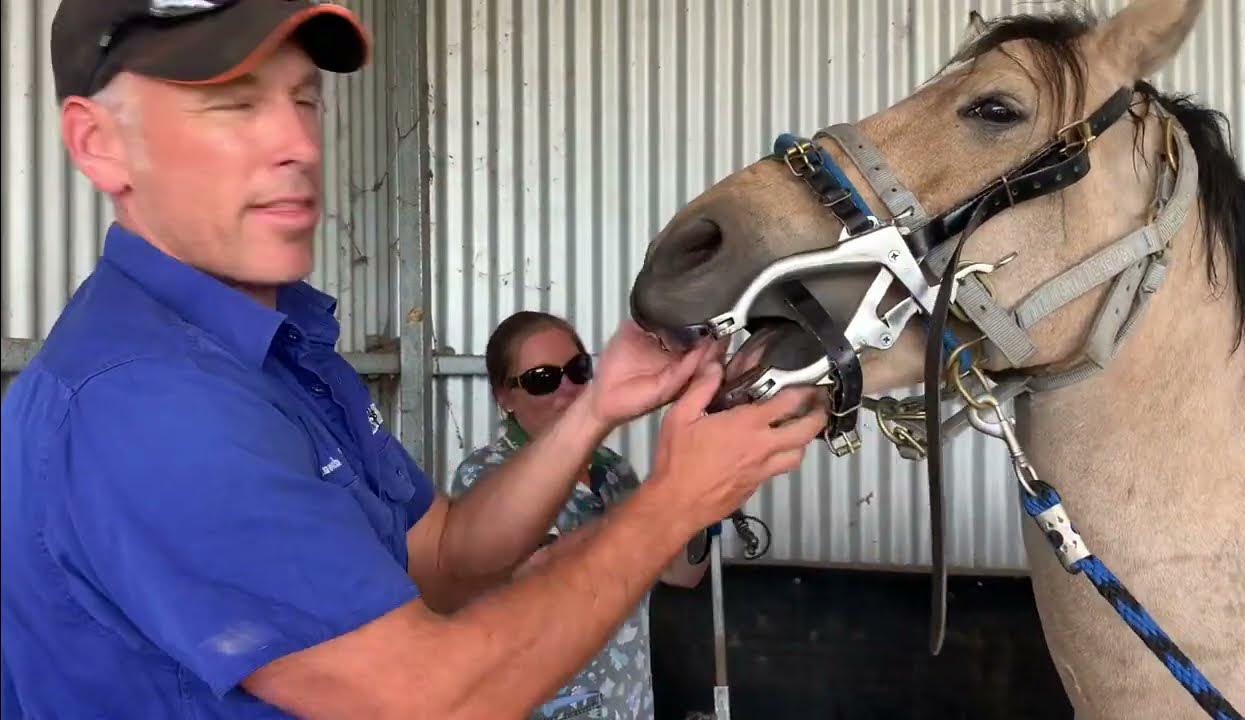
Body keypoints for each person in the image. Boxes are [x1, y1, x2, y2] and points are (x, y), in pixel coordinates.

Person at [0, 2, 826, 719]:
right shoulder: (148, 404)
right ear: (97, 143)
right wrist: (676, 501)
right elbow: (433, 699)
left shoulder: (278, 351)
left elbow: (447, 557)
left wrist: (598, 404)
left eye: (304, 99)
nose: (296, 141)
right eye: (232, 104)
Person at [445, 311, 709, 720]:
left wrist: (699, 491)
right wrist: (664, 499)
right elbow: (544, 579)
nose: (567, 390)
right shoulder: (486, 477)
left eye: (577, 370)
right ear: (505, 397)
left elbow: (682, 574)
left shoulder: (614, 470)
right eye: (542, 379)